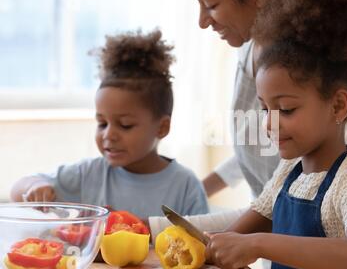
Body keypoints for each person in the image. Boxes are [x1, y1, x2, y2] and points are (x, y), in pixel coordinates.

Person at [205, 0, 347, 269]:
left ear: (337, 106)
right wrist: (207, 246)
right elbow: (230, 239)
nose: (270, 123)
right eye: (264, 108)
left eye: (286, 110)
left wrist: (258, 244)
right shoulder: (288, 173)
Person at [148, 0, 347, 241]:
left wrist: (156, 229)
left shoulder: (314, 67)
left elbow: (277, 214)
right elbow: (260, 151)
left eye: (210, 4)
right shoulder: (250, 47)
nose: (202, 22)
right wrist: (195, 193)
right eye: (264, 108)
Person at [10, 30, 209, 220]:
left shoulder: (185, 186)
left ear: (162, 128)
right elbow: (17, 190)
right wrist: (36, 186)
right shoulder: (87, 174)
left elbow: (201, 241)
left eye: (125, 125)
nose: (109, 135)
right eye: (102, 123)